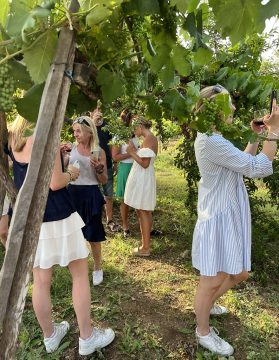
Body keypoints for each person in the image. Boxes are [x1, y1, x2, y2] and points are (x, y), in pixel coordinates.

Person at [7, 115, 115, 356]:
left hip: (31, 217)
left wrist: (60, 160)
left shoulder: (14, 135)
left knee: (41, 281)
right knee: (79, 274)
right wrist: (72, 173)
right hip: (58, 213)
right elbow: (55, 183)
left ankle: (50, 336)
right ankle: (87, 337)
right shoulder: (46, 133)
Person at [192, 85, 279, 356]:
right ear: (215, 109)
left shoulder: (213, 138)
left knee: (239, 273)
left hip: (225, 213)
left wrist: (255, 135)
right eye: (228, 103)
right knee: (214, 278)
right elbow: (258, 168)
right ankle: (202, 331)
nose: (233, 108)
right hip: (218, 217)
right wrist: (274, 133)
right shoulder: (212, 141)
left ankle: (205, 305)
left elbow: (242, 161)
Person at [66, 116, 108, 286]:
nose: (75, 134)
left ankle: (97, 267)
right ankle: (78, 268)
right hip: (73, 193)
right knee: (74, 233)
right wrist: (63, 158)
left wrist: (98, 168)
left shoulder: (98, 151)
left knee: (93, 234)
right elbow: (63, 170)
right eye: (74, 130)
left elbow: (103, 180)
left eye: (78, 131)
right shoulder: (71, 148)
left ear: (89, 132)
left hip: (91, 194)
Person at [124, 116, 158, 256]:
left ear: (140, 125)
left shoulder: (150, 138)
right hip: (143, 177)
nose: (133, 130)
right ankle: (145, 244)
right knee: (142, 210)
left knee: (143, 210)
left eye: (134, 127)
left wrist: (131, 152)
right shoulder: (147, 139)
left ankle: (145, 248)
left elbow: (145, 164)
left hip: (144, 177)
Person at [90, 108, 120, 232]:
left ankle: (110, 220)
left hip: (106, 164)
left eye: (100, 109)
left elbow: (112, 145)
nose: (98, 112)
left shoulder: (107, 126)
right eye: (95, 110)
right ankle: (94, 220)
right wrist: (92, 122)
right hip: (91, 165)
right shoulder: (88, 126)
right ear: (90, 113)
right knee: (93, 192)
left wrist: (115, 162)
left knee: (108, 194)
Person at [111, 109, 139, 237]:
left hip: (138, 167)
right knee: (125, 199)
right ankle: (125, 226)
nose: (136, 121)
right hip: (125, 168)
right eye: (134, 118)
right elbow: (115, 157)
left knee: (139, 196)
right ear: (128, 120)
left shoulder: (137, 135)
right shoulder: (118, 137)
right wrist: (131, 153)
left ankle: (144, 226)